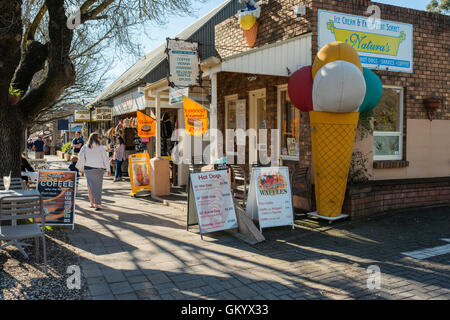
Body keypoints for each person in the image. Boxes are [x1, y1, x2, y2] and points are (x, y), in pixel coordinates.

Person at [77, 133, 111, 211]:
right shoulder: (101, 147)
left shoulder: (85, 147)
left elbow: (79, 156)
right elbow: (105, 159)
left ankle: (91, 203)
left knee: (90, 186)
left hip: (88, 168)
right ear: (97, 138)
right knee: (98, 187)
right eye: (99, 137)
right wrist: (108, 169)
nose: (100, 138)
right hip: (98, 169)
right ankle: (97, 204)